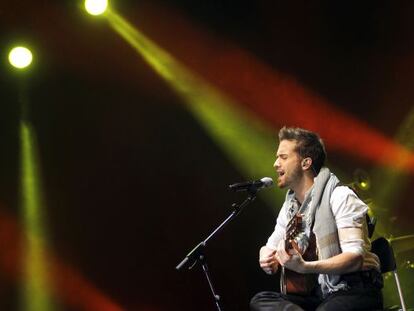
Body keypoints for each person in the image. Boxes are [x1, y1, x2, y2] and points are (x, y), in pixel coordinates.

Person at [250, 127, 383, 311]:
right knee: (260, 300)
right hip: (320, 296)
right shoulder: (290, 208)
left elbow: (355, 258)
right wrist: (265, 255)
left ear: (305, 163)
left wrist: (306, 267)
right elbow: (271, 246)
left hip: (354, 290)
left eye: (283, 157)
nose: (275, 164)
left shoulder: (340, 196)